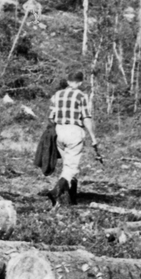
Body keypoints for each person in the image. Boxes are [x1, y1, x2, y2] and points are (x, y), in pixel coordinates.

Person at [47, 70, 98, 206]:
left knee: (67, 166)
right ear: (80, 82)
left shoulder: (57, 95)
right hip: (74, 131)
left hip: (60, 131)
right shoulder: (81, 96)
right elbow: (86, 118)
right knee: (71, 168)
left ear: (68, 81)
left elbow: (51, 117)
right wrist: (93, 137)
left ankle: (69, 200)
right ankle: (56, 191)